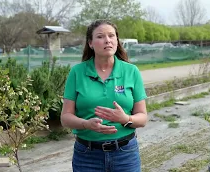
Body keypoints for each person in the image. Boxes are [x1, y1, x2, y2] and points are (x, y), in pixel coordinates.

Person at [60, 19, 148, 172]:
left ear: (117, 40)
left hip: (125, 154)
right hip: (87, 155)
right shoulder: (77, 72)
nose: (107, 40)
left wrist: (125, 119)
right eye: (100, 36)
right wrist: (86, 124)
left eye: (111, 36)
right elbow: (65, 117)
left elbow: (143, 118)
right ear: (91, 43)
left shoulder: (131, 71)